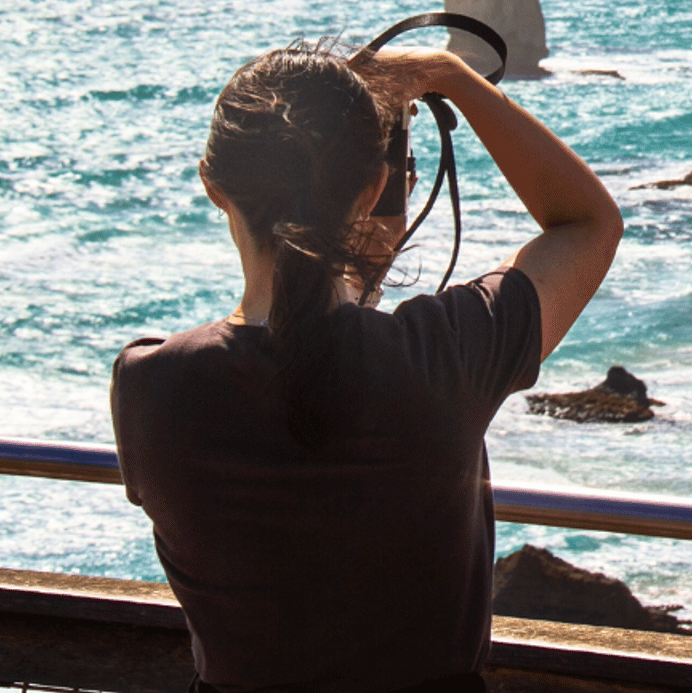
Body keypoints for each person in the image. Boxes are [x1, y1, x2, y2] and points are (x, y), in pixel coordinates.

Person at [110, 40, 621, 693]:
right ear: (376, 186)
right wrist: (451, 78)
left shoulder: (150, 382)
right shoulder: (445, 353)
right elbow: (587, 224)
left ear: (213, 185)